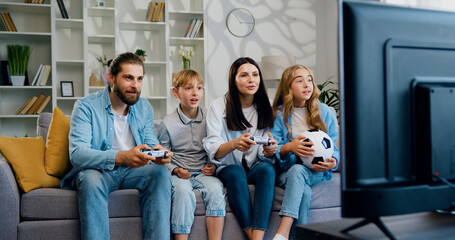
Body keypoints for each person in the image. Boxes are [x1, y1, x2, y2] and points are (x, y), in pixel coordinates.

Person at [60, 52, 173, 240]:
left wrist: (160, 153)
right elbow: (77, 154)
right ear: (111, 78)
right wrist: (121, 156)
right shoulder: (85, 106)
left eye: (139, 79)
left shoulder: (144, 107)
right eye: (128, 78)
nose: (135, 85)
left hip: (134, 171)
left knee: (160, 173)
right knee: (90, 180)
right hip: (98, 171)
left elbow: (150, 141)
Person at [203, 57, 277, 240]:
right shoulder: (218, 106)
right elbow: (213, 148)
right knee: (236, 171)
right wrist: (233, 144)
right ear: (233, 80)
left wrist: (269, 151)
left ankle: (258, 236)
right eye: (244, 75)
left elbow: (264, 147)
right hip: (228, 167)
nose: (251, 80)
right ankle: (253, 236)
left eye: (255, 74)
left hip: (254, 166)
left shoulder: (265, 104)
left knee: (267, 169)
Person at [270, 65, 340, 240]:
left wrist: (333, 161)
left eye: (309, 79)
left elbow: (334, 148)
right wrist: (289, 147)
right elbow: (274, 150)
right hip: (287, 171)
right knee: (303, 188)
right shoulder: (279, 115)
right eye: (299, 80)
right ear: (288, 87)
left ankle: (282, 232)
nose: (306, 84)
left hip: (316, 171)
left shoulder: (324, 111)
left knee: (299, 172)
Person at [157, 69, 226, 240]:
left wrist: (214, 164)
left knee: (216, 190)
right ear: (176, 92)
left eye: (199, 88)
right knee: (182, 193)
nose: (195, 93)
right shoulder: (167, 123)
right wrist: (175, 170)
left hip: (203, 172)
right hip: (180, 174)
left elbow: (217, 146)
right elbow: (162, 158)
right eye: (188, 88)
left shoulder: (210, 117)